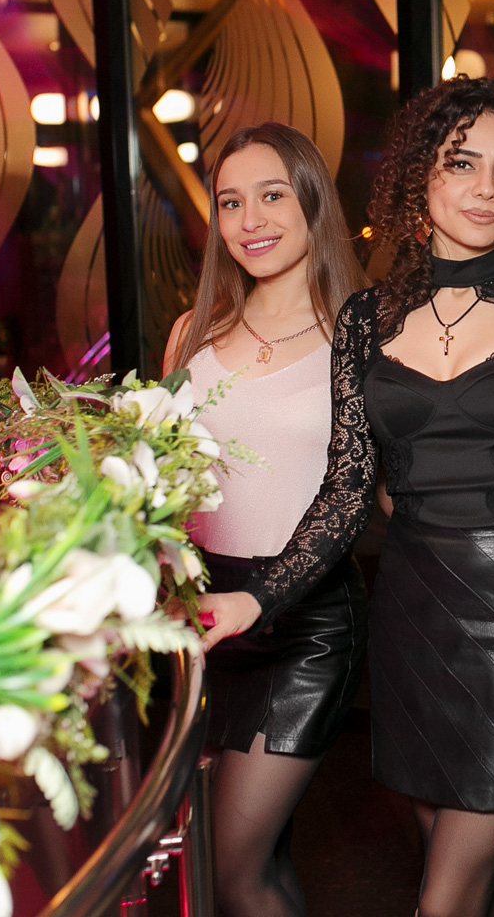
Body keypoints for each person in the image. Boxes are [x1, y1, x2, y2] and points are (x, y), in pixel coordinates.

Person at [193, 77, 494, 917]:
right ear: (417, 178)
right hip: (413, 621)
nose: (486, 189)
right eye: (462, 164)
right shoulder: (364, 321)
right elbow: (346, 490)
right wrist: (257, 598)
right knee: (464, 881)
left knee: (445, 900)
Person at [162, 122, 370, 917]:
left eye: (272, 195)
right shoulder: (192, 334)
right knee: (259, 863)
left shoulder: (359, 335)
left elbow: (369, 490)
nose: (249, 220)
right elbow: (166, 482)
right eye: (230, 202)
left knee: (230, 869)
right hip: (205, 618)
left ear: (312, 201)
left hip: (306, 621)